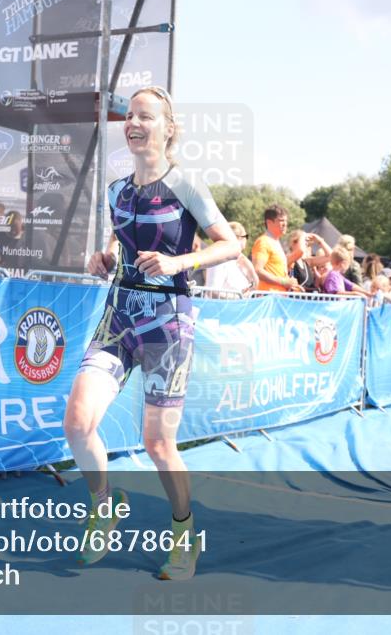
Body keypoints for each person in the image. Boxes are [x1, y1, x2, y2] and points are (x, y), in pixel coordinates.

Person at [64, 86, 239, 581]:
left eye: (146, 116)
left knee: (158, 445)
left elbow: (229, 245)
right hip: (118, 316)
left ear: (168, 128)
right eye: (129, 116)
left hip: (168, 323)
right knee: (77, 422)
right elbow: (116, 247)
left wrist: (179, 262)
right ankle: (104, 506)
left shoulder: (185, 184)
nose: (134, 123)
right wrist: (102, 259)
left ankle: (184, 534)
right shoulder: (116, 191)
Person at [252, 205, 302, 292]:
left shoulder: (276, 242)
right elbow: (257, 270)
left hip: (278, 296)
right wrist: (284, 282)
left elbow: (277, 273)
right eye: (281, 220)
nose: (285, 224)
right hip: (268, 296)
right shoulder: (263, 242)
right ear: (269, 222)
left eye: (286, 221)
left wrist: (291, 284)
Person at [205, 220, 258, 296]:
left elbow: (254, 286)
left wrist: (250, 269)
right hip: (222, 304)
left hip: (238, 303)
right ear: (237, 238)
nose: (246, 239)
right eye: (246, 236)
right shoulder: (219, 259)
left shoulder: (241, 260)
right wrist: (237, 298)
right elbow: (212, 292)